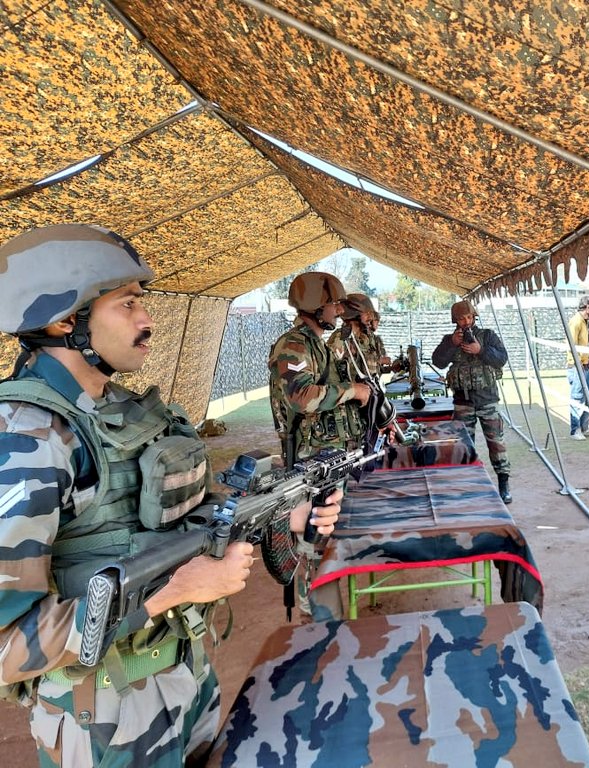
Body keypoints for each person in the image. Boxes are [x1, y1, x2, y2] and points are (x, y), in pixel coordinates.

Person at [0, 224, 342, 766]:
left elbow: (170, 526)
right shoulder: (26, 439)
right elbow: (5, 645)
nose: (148, 320)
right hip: (104, 718)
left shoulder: (127, 412)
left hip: (182, 675)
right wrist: (169, 594)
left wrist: (286, 515)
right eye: (128, 304)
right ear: (66, 320)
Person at [269, 273, 371, 461]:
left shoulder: (318, 346)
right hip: (310, 459)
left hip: (329, 454)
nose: (340, 310)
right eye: (334, 304)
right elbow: (302, 398)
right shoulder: (293, 345)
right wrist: (353, 390)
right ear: (315, 307)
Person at [432, 300, 512, 503]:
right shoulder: (450, 340)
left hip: (487, 399)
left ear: (474, 316)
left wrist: (480, 350)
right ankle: (467, 484)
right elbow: (438, 361)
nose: (466, 322)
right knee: (464, 446)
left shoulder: (487, 336)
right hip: (463, 401)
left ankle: (503, 483)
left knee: (496, 443)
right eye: (461, 318)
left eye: (468, 317)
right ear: (455, 320)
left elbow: (502, 358)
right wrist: (452, 343)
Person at [566, 296, 589, 439]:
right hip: (577, 366)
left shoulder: (585, 323)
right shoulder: (576, 322)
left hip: (585, 366)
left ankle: (584, 427)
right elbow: (571, 344)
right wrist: (577, 362)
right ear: (587, 307)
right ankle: (575, 430)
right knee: (578, 397)